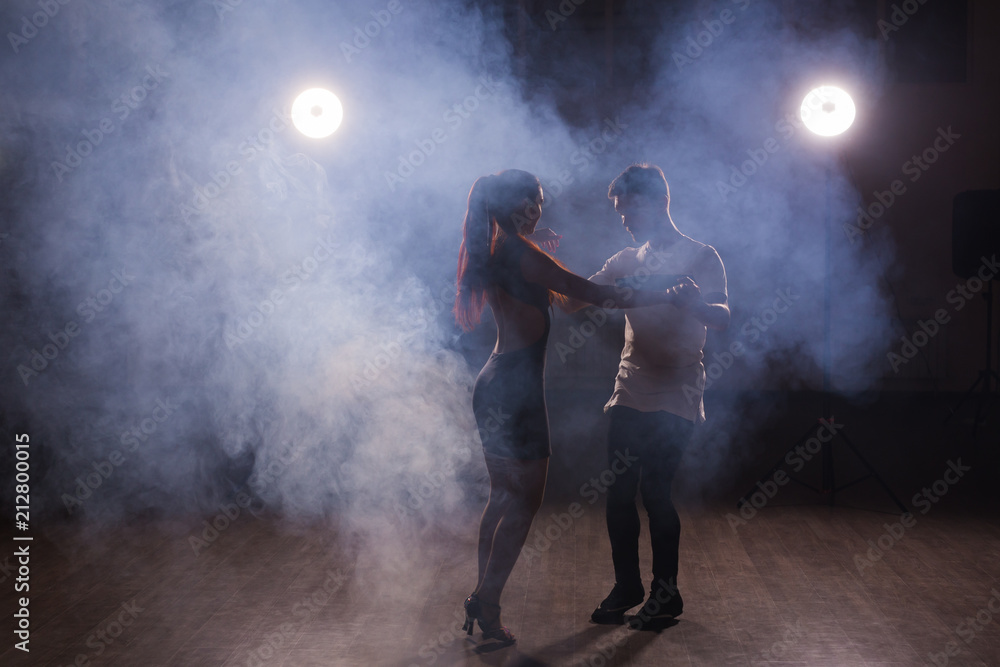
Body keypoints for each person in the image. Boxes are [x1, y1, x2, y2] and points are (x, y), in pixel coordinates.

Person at [454, 169, 685, 644]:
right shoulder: (521, 254)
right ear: (510, 204)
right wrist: (661, 294)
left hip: (494, 383)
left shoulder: (500, 248)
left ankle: (482, 597)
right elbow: (592, 293)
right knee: (523, 501)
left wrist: (530, 238)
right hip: (514, 392)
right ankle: (489, 605)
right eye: (529, 201)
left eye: (540, 201)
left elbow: (527, 263)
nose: (537, 208)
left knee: (502, 497)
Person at [585, 163, 729, 628]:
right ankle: (628, 585)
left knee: (655, 491)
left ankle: (667, 594)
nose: (623, 219)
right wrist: (536, 259)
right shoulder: (625, 260)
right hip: (631, 382)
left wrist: (697, 306)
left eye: (628, 209)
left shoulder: (702, 255)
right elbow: (582, 291)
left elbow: (723, 315)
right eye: (619, 212)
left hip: (680, 384)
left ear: (659, 201)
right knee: (619, 492)